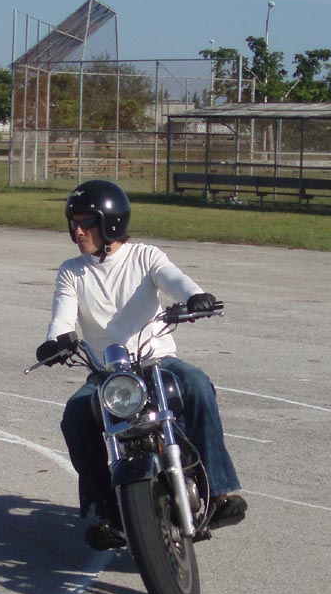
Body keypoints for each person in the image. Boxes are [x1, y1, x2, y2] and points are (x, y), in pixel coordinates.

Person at [35, 179, 247, 550]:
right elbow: (62, 315)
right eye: (74, 223)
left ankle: (220, 491)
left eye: (87, 222)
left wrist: (195, 296)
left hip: (157, 360)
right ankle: (104, 511)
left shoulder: (145, 256)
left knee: (197, 384)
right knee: (76, 415)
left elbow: (174, 279)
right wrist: (57, 340)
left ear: (111, 223)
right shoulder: (72, 271)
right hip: (107, 373)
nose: (78, 231)